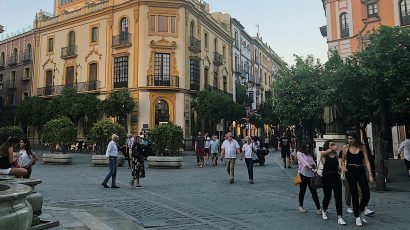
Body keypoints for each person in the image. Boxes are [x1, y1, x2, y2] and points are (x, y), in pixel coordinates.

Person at [341, 132, 373, 226]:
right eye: (348, 138)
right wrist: (343, 167)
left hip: (360, 170)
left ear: (356, 138)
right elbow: (342, 160)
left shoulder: (362, 147)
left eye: (351, 138)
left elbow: (367, 162)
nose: (350, 140)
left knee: (366, 192)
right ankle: (357, 217)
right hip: (350, 171)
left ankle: (360, 209)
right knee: (354, 193)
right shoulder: (345, 147)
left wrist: (370, 174)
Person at [320, 140, 346, 225]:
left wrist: (340, 168)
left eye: (334, 144)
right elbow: (322, 154)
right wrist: (331, 149)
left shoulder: (336, 154)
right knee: (327, 195)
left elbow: (338, 165)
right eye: (331, 145)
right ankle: (324, 209)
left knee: (338, 196)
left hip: (336, 177)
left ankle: (339, 216)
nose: (334, 146)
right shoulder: (324, 154)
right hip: (327, 177)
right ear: (328, 146)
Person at [297, 142, 321, 214]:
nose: (307, 149)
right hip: (303, 175)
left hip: (311, 176)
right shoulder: (299, 153)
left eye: (308, 147)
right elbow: (304, 162)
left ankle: (318, 208)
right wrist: (310, 166)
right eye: (306, 147)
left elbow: (313, 162)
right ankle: (301, 206)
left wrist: (314, 166)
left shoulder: (309, 154)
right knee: (302, 191)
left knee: (314, 192)